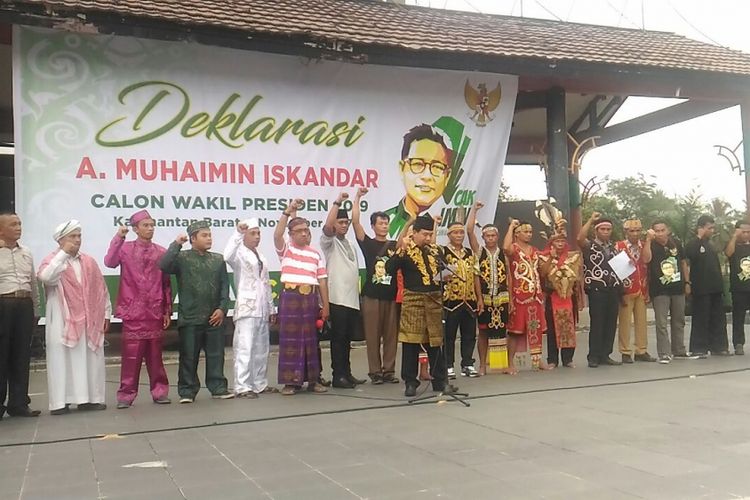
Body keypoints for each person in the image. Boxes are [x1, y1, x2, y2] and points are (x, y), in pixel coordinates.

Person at [38, 220, 110, 415]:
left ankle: (90, 399)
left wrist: (106, 313)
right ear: (61, 240)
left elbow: (101, 289)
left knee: (90, 358)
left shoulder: (88, 261)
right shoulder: (52, 260)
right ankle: (60, 402)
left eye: (79, 236)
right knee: (61, 358)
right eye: (72, 236)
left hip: (89, 318)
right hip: (62, 319)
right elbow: (45, 277)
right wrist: (63, 254)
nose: (77, 240)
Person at [104, 210, 172, 409]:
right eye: (146, 225)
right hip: (133, 311)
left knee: (155, 356)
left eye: (152, 225)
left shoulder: (161, 251)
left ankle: (160, 391)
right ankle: (126, 395)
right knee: (131, 357)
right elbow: (109, 262)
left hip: (154, 311)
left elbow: (166, 283)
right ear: (135, 229)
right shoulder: (124, 249)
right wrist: (119, 237)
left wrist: (166, 310)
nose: (150, 228)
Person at [159, 220, 233, 403]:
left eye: (210, 235)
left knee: (216, 355)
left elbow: (225, 287)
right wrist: (176, 244)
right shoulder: (182, 258)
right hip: (190, 317)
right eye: (204, 235)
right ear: (193, 238)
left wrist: (222, 309)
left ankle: (218, 387)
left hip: (214, 317)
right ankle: (187, 391)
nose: (209, 239)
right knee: (188, 356)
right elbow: (164, 265)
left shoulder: (217, 259)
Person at [388, 214, 458, 397]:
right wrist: (400, 250)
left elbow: (442, 271)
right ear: (415, 233)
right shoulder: (406, 250)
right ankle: (410, 382)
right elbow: (389, 269)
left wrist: (447, 275)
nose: (428, 238)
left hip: (434, 299)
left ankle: (440, 382)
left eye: (430, 234)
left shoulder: (435, 251)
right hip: (414, 300)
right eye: (425, 234)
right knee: (411, 343)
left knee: (436, 342)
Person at [274, 199, 330, 396]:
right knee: (291, 341)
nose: (305, 233)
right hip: (291, 298)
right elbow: (277, 233)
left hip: (310, 300)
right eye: (300, 231)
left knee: (311, 341)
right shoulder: (286, 249)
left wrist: (326, 305)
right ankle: (291, 383)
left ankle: (313, 381)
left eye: (307, 230)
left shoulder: (315, 254)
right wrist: (288, 212)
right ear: (292, 235)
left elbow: (322, 281)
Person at [223, 217, 276, 398]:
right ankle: (242, 385)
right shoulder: (239, 254)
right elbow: (227, 255)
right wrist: (237, 233)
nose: (257, 237)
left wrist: (271, 307)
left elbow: (266, 283)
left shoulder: (261, 256)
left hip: (261, 308)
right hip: (247, 307)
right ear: (245, 236)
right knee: (245, 347)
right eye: (253, 233)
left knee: (262, 347)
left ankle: (259, 383)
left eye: (258, 233)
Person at [352, 187, 400, 385]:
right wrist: (358, 197)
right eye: (380, 223)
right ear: (373, 226)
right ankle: (375, 372)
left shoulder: (395, 245)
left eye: (386, 223)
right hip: (371, 296)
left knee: (391, 337)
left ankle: (389, 370)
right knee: (372, 336)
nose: (384, 226)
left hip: (390, 295)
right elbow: (355, 222)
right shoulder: (368, 243)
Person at [320, 192, 365, 389]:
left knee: (347, 339)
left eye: (346, 222)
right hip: (337, 298)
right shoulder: (329, 242)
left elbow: (356, 220)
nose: (345, 225)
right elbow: (328, 227)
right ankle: (338, 376)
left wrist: (357, 199)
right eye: (341, 222)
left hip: (351, 299)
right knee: (338, 339)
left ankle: (346, 373)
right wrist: (337, 201)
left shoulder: (350, 243)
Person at [0, 213, 41, 418]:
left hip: (24, 304)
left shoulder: (26, 252)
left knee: (21, 355)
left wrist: (36, 309)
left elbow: (33, 283)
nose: (18, 227)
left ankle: (19, 403)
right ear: (1, 230)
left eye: (19, 224)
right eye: (13, 224)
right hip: (3, 303)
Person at [385, 124, 452, 237]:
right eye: (417, 164)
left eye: (437, 167)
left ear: (447, 177)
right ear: (402, 169)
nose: (427, 176)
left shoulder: (448, 223)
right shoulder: (386, 221)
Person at [466, 201, 509, 376]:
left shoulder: (504, 253)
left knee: (501, 331)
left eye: (493, 235)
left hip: (502, 297)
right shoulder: (479, 251)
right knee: (483, 331)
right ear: (483, 238)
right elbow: (469, 231)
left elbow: (510, 277)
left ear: (497, 237)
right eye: (487, 236)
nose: (490, 238)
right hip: (485, 297)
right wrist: (474, 210)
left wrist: (511, 300)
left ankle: (501, 364)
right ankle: (482, 364)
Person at [646, 220, 697, 363]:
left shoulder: (676, 243)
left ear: (668, 230)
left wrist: (687, 282)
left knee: (679, 320)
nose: (660, 233)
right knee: (661, 323)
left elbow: (683, 262)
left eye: (663, 230)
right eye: (657, 231)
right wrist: (648, 241)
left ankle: (679, 350)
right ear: (652, 232)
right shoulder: (651, 244)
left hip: (678, 287)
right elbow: (646, 258)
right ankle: (664, 353)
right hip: (660, 289)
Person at [503, 219, 550, 373]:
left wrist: (551, 258)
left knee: (535, 329)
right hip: (519, 296)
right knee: (515, 331)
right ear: (517, 234)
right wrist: (510, 226)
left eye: (530, 232)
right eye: (526, 231)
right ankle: (509, 363)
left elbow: (542, 272)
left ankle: (537, 361)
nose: (529, 234)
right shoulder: (514, 249)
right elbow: (505, 248)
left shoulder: (534, 250)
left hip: (535, 296)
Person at [577, 212, 622, 368]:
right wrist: (590, 220)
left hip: (612, 288)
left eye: (608, 229)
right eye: (602, 229)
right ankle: (594, 356)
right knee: (597, 322)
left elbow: (622, 268)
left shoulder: (613, 247)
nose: (606, 232)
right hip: (597, 288)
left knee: (610, 322)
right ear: (596, 231)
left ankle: (605, 354)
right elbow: (579, 239)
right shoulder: (590, 245)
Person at [539, 218, 582, 368]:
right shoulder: (543, 256)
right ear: (551, 243)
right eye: (557, 242)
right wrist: (551, 257)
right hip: (553, 297)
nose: (560, 244)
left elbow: (576, 277)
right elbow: (543, 274)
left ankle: (568, 358)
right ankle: (552, 359)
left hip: (568, 297)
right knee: (552, 330)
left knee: (568, 328)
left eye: (562, 241)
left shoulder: (572, 257)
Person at [442, 221, 483, 378]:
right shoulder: (443, 252)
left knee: (469, 334)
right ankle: (448, 366)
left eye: (461, 232)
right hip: (451, 300)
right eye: (455, 232)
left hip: (470, 300)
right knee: (449, 335)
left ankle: (467, 364)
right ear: (449, 235)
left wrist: (479, 298)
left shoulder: (470, 253)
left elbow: (476, 276)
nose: (459, 235)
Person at [685, 215, 729, 357]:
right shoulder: (693, 244)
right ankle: (699, 348)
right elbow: (689, 256)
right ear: (701, 228)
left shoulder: (711, 245)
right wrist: (699, 237)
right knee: (701, 318)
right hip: (701, 288)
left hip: (715, 287)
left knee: (718, 319)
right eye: (709, 228)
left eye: (712, 228)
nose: (712, 230)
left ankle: (719, 347)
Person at [615, 219, 656, 363]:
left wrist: (649, 241)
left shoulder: (644, 245)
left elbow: (647, 259)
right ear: (625, 232)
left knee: (641, 322)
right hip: (626, 289)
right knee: (625, 322)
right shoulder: (619, 246)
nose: (635, 234)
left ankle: (641, 350)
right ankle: (625, 351)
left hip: (642, 288)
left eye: (638, 230)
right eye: (632, 231)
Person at [725, 220, 750, 355]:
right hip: (739, 288)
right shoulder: (734, 245)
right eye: (743, 232)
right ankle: (738, 343)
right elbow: (728, 254)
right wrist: (735, 237)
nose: (746, 235)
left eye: (748, 232)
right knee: (738, 317)